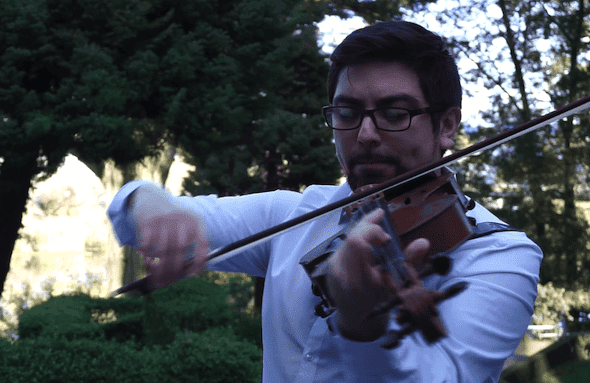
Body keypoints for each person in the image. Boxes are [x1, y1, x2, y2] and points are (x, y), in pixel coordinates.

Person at [107, 21, 542, 382]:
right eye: (347, 114)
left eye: (394, 113)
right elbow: (133, 215)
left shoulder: (500, 256)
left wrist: (363, 328)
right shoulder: (295, 214)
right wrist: (150, 202)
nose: (366, 136)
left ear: (446, 126)